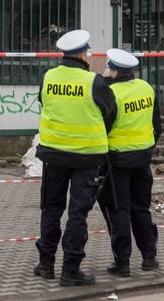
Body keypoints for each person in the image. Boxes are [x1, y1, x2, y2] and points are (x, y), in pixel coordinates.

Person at [34, 29, 117, 287]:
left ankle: (46, 264)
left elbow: (43, 102)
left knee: (51, 209)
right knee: (77, 214)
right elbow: (110, 113)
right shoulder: (94, 82)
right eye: (88, 52)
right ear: (82, 54)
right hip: (87, 158)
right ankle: (70, 270)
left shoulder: (48, 77)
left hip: (54, 155)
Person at [99, 47, 161, 277]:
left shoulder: (111, 92)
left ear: (114, 70)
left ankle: (122, 262)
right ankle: (149, 257)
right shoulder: (146, 88)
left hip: (116, 162)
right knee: (141, 209)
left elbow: (103, 128)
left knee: (119, 210)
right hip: (142, 159)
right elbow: (157, 126)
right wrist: (146, 148)